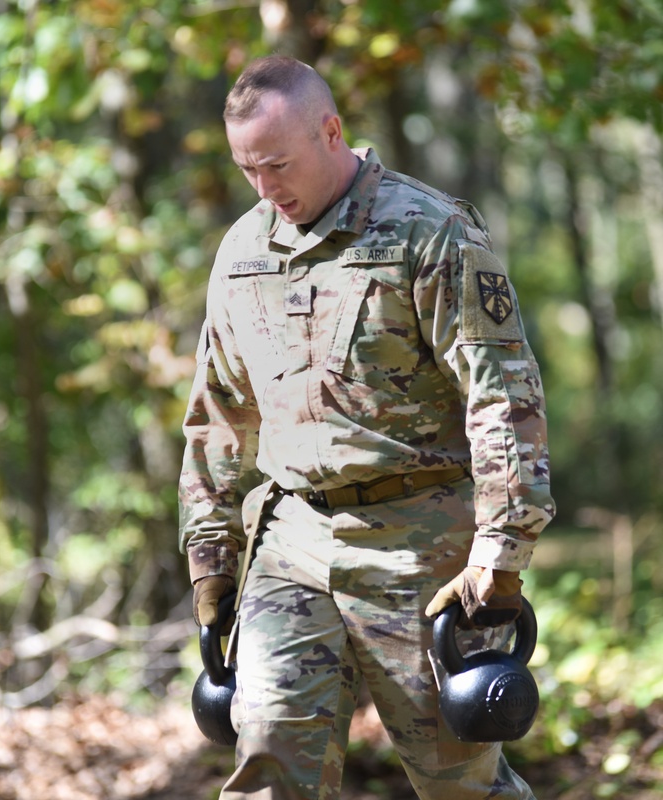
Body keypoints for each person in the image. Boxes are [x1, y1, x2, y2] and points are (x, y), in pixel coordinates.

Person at [178, 55, 555, 800]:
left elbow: (502, 395)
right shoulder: (242, 253)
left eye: (278, 164)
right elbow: (216, 413)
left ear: (332, 131)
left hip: (420, 548)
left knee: (459, 780)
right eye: (247, 169)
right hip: (290, 544)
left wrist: (502, 551)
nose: (264, 188)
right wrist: (210, 555)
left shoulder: (430, 232)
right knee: (267, 765)